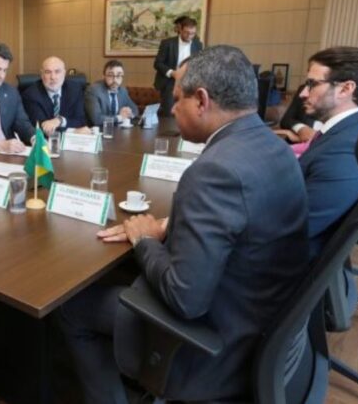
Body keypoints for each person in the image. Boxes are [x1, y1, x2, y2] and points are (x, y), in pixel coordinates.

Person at [58, 45, 309, 403]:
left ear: (202, 100)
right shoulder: (274, 146)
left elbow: (185, 297)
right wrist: (173, 224)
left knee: (72, 308)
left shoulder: (214, 171)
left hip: (215, 347)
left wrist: (145, 239)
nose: (172, 108)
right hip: (265, 321)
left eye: (177, 99)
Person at [298, 46, 358, 257]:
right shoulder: (350, 130)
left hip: (281, 263)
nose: (302, 93)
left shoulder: (344, 151)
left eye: (312, 84)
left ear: (345, 89)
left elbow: (295, 230)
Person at [22, 56, 89, 136]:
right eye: (48, 72)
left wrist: (60, 120)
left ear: (64, 73)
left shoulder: (75, 89)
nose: (53, 77)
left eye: (57, 72)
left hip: (72, 142)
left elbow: (81, 121)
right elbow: (43, 127)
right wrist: (73, 131)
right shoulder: (31, 94)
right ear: (42, 75)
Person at [153, 17, 203, 116]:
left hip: (189, 85)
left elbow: (199, 64)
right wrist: (173, 73)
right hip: (169, 84)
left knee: (187, 114)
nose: (190, 36)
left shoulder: (198, 45)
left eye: (192, 33)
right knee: (169, 113)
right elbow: (157, 63)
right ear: (180, 29)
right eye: (187, 33)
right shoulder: (167, 43)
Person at [85, 59, 139, 127]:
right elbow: (97, 119)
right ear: (104, 76)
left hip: (117, 130)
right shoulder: (94, 90)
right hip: (98, 130)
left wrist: (129, 113)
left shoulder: (122, 91)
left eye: (119, 75)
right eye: (110, 75)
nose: (115, 80)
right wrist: (120, 117)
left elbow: (135, 109)